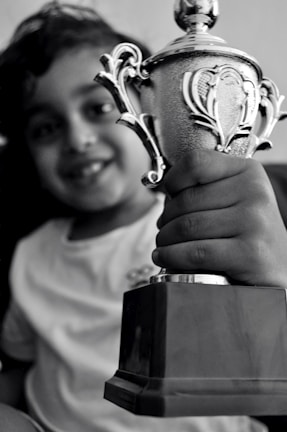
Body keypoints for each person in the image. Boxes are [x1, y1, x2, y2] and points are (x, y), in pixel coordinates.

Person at [0, 1, 285, 431]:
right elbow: (19, 370)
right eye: (46, 128)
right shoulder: (30, 255)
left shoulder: (217, 229)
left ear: (149, 114)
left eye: (98, 109)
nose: (77, 139)